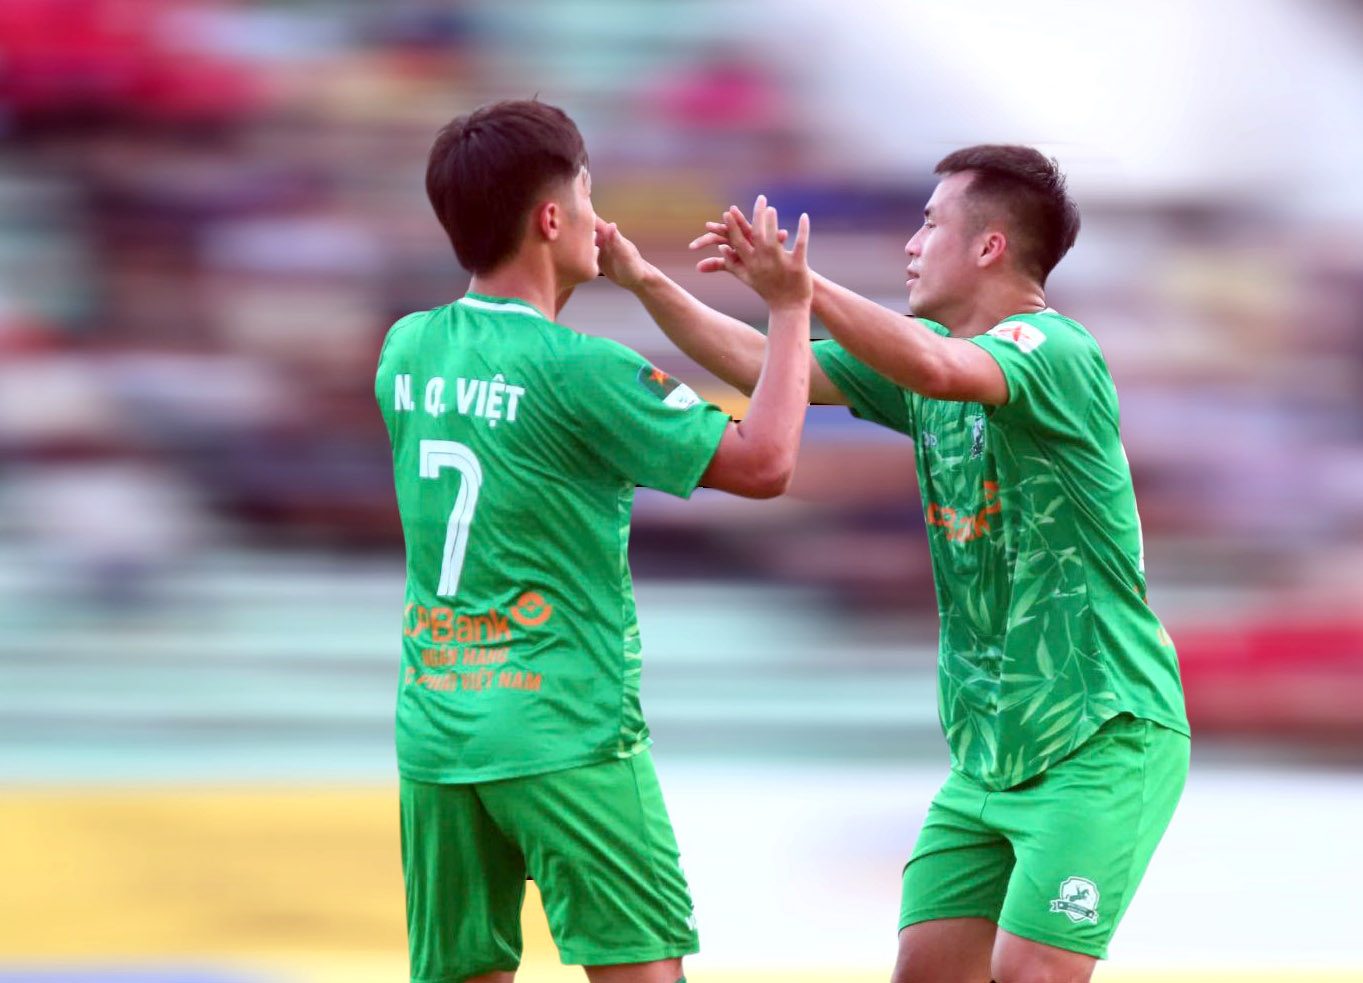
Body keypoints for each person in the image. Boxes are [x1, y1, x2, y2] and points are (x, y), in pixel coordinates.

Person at [619, 146, 1191, 983]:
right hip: (990, 747)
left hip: (1098, 731)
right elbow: (763, 364)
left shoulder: (1052, 348)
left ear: (990, 246)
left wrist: (802, 286)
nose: (911, 246)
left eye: (930, 225)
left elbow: (937, 367)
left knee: (1032, 970)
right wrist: (642, 280)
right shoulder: (926, 354)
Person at [374, 98, 813, 983]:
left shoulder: (406, 349)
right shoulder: (587, 371)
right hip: (564, 730)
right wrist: (790, 306)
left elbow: (508, 403)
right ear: (551, 220)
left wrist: (638, 281)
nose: (595, 216)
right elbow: (766, 462)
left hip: (437, 727)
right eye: (586, 196)